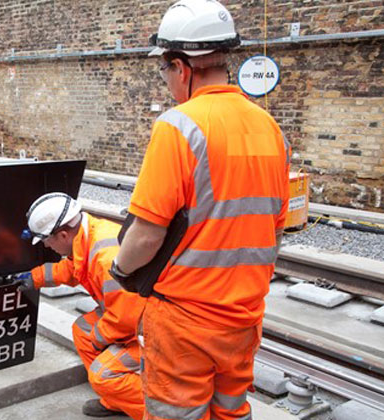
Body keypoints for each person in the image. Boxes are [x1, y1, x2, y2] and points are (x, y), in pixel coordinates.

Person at [109, 1, 291, 419]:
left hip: (184, 322)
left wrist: (119, 271)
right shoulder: (271, 129)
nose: (166, 80)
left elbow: (146, 234)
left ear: (182, 66)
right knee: (231, 409)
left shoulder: (179, 126)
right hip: (245, 319)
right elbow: (273, 233)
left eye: (165, 70)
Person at [19, 192, 145, 419]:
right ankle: (116, 398)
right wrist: (35, 277)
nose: (47, 246)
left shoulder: (106, 257)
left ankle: (159, 411)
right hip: (130, 319)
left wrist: (100, 337)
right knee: (82, 331)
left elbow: (126, 318)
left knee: (102, 373)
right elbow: (72, 269)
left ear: (63, 235)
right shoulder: (87, 237)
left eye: (47, 240)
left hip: (151, 331)